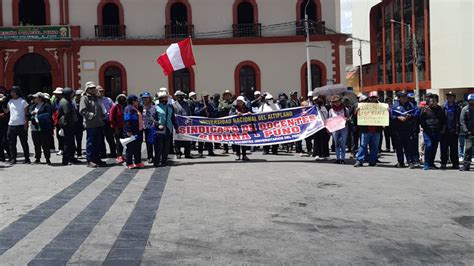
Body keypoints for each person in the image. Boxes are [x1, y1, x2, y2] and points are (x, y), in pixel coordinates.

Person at [79, 82, 107, 168]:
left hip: (99, 123)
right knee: (90, 143)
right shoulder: (85, 98)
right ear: (87, 89)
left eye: (94, 88)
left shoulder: (96, 98)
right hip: (91, 124)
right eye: (91, 88)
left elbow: (100, 106)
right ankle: (89, 160)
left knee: (98, 143)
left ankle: (96, 159)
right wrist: (91, 115)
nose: (93, 89)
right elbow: (82, 110)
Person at [354, 92, 384, 167]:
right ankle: (359, 160)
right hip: (365, 130)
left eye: (375, 97)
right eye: (372, 97)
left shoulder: (381, 106)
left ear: (377, 98)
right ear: (369, 98)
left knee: (375, 146)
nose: (373, 99)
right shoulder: (363, 106)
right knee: (362, 145)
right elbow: (355, 117)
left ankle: (372, 161)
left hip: (376, 130)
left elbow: (386, 116)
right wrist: (356, 112)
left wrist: (387, 111)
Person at [390, 91, 417, 168]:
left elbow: (415, 113)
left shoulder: (411, 105)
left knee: (409, 147)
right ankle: (400, 162)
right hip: (398, 130)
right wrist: (398, 117)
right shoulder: (394, 106)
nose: (405, 98)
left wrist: (410, 116)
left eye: (405, 97)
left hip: (408, 129)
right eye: (403, 97)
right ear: (399, 98)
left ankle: (410, 162)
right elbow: (391, 116)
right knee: (399, 147)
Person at [419, 94, 446, 170]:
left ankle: (431, 163)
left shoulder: (440, 109)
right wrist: (424, 112)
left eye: (434, 100)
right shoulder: (425, 109)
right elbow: (420, 119)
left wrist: (443, 128)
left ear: (437, 101)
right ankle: (426, 163)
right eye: (431, 100)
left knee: (434, 147)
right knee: (429, 145)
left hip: (437, 131)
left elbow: (443, 119)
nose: (432, 102)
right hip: (427, 131)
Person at [5, 86, 30, 164]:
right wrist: (2, 103)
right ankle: (13, 158)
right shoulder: (10, 101)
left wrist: (26, 123)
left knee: (24, 142)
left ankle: (27, 158)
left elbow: (26, 114)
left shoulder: (23, 101)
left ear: (17, 92)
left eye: (13, 92)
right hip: (11, 124)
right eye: (11, 92)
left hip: (21, 124)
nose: (12, 94)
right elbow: (6, 111)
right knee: (11, 143)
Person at [153, 91, 177, 167]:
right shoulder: (155, 108)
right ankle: (157, 161)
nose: (165, 99)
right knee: (158, 146)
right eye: (164, 98)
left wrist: (176, 127)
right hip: (159, 130)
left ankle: (164, 160)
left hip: (168, 129)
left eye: (166, 98)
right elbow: (153, 119)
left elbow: (173, 118)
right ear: (160, 99)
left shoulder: (170, 107)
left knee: (166, 146)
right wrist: (158, 124)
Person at [58, 88, 80, 165]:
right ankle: (66, 160)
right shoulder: (65, 102)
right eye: (71, 93)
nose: (73, 95)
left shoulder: (67, 101)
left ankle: (72, 158)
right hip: (67, 124)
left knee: (71, 143)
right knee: (67, 143)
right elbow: (67, 113)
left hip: (69, 124)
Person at [29, 92, 53, 165]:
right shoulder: (33, 106)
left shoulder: (46, 105)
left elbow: (48, 115)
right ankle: (37, 158)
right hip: (34, 127)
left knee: (45, 143)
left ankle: (47, 158)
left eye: (35, 97)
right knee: (36, 143)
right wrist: (31, 114)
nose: (34, 99)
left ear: (40, 98)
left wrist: (38, 116)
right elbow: (28, 114)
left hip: (43, 127)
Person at [440, 91, 461, 169]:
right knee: (444, 148)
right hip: (444, 131)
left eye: (451, 96)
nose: (449, 97)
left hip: (454, 130)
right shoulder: (442, 107)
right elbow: (440, 119)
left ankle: (455, 163)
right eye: (448, 96)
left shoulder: (457, 107)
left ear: (454, 98)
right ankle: (443, 163)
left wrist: (458, 129)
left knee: (454, 149)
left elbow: (459, 119)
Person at [123, 94, 144, 169]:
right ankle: (129, 163)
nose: (137, 102)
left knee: (137, 147)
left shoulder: (135, 108)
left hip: (138, 130)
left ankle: (138, 161)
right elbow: (127, 120)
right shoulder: (128, 108)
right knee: (130, 147)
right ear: (132, 101)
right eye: (136, 100)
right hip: (131, 131)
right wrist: (129, 130)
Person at [328, 95, 349, 164]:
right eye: (334, 102)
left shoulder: (345, 109)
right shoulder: (331, 111)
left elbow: (348, 118)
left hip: (343, 128)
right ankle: (337, 158)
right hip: (335, 129)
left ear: (340, 101)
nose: (336, 103)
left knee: (343, 143)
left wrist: (347, 119)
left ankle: (342, 159)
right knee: (336, 143)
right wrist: (329, 129)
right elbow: (329, 120)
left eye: (337, 101)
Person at [195, 92, 216, 157]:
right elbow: (196, 113)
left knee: (209, 138)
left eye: (207, 96)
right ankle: (200, 152)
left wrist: (210, 114)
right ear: (202, 97)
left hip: (208, 123)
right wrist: (203, 109)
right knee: (201, 138)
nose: (206, 98)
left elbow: (214, 112)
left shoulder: (210, 104)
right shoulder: (199, 104)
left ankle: (210, 151)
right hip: (201, 123)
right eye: (205, 97)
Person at [230, 96, 251, 161]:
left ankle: (244, 155)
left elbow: (252, 115)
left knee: (244, 141)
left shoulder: (246, 108)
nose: (239, 102)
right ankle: (238, 155)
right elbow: (230, 114)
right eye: (238, 101)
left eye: (240, 101)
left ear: (243, 102)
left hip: (244, 127)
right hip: (236, 127)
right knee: (237, 142)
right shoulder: (234, 108)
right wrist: (236, 113)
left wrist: (249, 113)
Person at [97, 86, 116, 159]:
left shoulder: (108, 99)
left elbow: (114, 107)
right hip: (99, 121)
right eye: (99, 91)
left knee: (110, 137)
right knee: (100, 138)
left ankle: (113, 152)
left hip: (107, 120)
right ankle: (103, 153)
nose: (100, 92)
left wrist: (111, 114)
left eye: (102, 91)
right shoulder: (95, 100)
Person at [173, 90, 192, 159]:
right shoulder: (173, 104)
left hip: (185, 124)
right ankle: (178, 153)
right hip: (177, 124)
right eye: (178, 96)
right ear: (176, 97)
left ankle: (187, 153)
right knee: (177, 140)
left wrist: (189, 120)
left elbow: (189, 113)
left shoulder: (186, 104)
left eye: (181, 96)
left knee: (187, 139)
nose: (180, 97)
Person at [110, 94, 127, 164]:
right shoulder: (114, 107)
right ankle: (118, 156)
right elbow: (111, 118)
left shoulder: (123, 107)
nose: (122, 100)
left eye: (123, 98)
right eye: (121, 98)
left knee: (122, 142)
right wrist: (115, 127)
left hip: (123, 127)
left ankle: (121, 155)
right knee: (118, 142)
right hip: (117, 128)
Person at [312, 95, 330, 160]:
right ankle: (317, 154)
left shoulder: (327, 107)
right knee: (317, 140)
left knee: (325, 141)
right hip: (317, 127)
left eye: (321, 99)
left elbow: (329, 116)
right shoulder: (314, 108)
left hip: (325, 126)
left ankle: (326, 154)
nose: (320, 100)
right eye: (319, 99)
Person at [459, 93, 474, 171]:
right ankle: (466, 165)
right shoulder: (465, 109)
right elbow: (462, 121)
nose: (472, 101)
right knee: (468, 149)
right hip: (469, 133)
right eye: (471, 100)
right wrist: (466, 130)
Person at [141, 92, 156, 164]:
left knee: (153, 142)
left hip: (152, 127)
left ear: (149, 98)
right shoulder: (141, 107)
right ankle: (149, 156)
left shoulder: (153, 107)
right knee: (148, 143)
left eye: (146, 98)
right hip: (145, 127)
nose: (145, 99)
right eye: (144, 98)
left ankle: (155, 156)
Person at [52, 87, 64, 155]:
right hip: (57, 120)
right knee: (58, 135)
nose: (56, 95)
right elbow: (53, 110)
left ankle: (64, 148)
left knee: (64, 135)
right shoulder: (55, 101)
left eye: (57, 94)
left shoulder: (64, 100)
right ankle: (61, 148)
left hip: (63, 120)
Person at [73, 90, 85, 159]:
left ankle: (79, 153)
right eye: (78, 95)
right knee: (73, 138)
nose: (79, 97)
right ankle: (75, 150)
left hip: (80, 123)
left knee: (79, 139)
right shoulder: (73, 102)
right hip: (74, 123)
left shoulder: (83, 102)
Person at [0, 92, 10, 162]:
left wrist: (3, 100)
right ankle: (2, 157)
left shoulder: (5, 102)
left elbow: (7, 112)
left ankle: (10, 155)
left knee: (4, 141)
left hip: (4, 124)